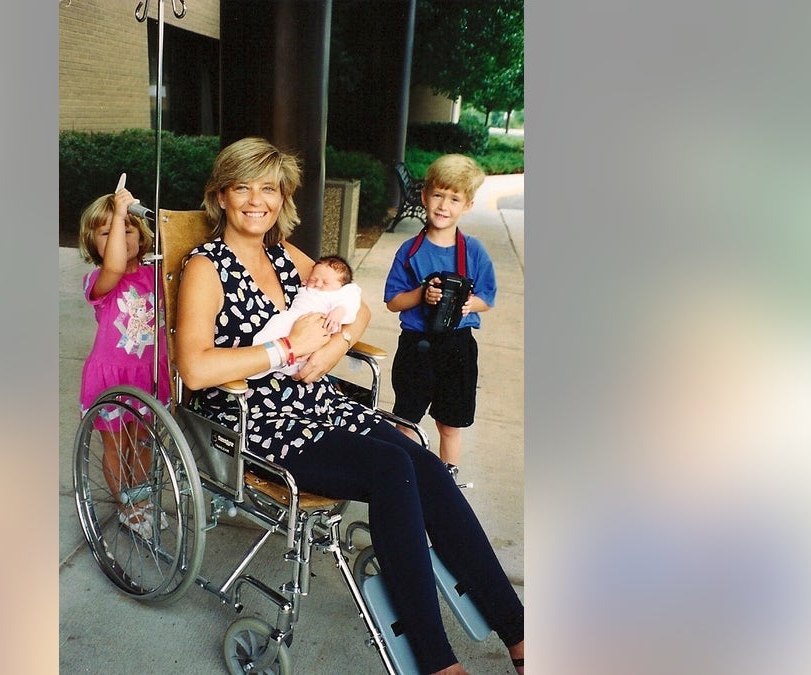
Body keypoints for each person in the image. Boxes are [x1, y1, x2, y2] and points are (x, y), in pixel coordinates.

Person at [176, 137, 523, 675]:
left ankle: (519, 633)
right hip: (255, 416)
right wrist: (287, 349)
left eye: (268, 188)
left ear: (282, 196)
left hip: (314, 400)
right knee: (391, 468)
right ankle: (436, 661)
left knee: (423, 462)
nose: (255, 200)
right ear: (220, 195)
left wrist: (335, 346)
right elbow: (195, 369)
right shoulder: (207, 267)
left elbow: (354, 305)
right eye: (241, 187)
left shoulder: (283, 253)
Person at [383, 154, 498, 469]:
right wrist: (421, 295)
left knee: (450, 424)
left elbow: (488, 297)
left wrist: (468, 304)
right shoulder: (410, 251)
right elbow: (393, 301)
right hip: (416, 346)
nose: (444, 206)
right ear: (424, 196)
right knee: (405, 422)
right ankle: (403, 479)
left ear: (467, 205)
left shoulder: (474, 251)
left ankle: (448, 486)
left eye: (454, 199)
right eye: (438, 195)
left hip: (458, 346)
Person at [76, 188, 171, 539]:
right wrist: (119, 212)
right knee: (116, 446)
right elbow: (115, 264)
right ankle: (125, 505)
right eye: (109, 231)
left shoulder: (155, 275)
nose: (121, 234)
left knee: (143, 441)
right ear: (94, 243)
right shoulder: (100, 281)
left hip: (148, 375)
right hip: (110, 378)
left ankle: (140, 497)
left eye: (129, 228)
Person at [250, 255, 362, 377]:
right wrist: (306, 286)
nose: (318, 284)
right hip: (291, 319)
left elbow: (352, 303)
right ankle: (253, 360)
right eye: (314, 279)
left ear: (342, 287)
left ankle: (261, 364)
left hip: (314, 330)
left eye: (326, 282)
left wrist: (339, 311)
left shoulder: (342, 294)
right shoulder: (309, 287)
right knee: (274, 328)